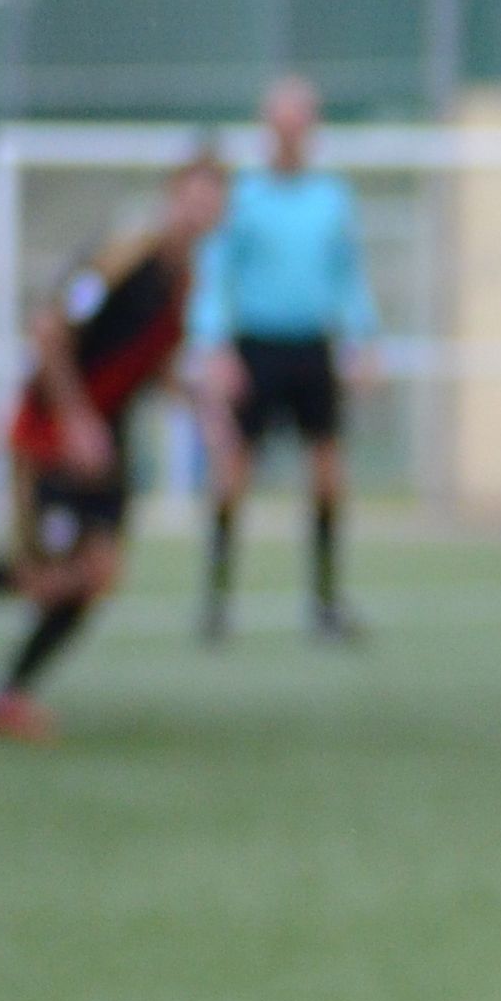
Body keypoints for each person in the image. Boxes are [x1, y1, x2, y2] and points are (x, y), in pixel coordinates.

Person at [0, 142, 231, 739]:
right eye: (191, 194)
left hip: (107, 442)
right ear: (170, 196)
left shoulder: (186, 281)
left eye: (213, 198)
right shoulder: (125, 255)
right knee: (48, 576)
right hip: (53, 432)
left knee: (97, 574)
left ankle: (8, 696)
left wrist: (203, 397)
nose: (199, 209)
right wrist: (75, 419)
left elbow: (148, 365)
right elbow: (50, 329)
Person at [192, 74, 376, 646]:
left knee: (326, 474)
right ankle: (216, 602)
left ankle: (324, 604)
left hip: (311, 348)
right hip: (256, 347)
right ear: (268, 127)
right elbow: (216, 274)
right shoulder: (242, 198)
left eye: (302, 121)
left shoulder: (332, 198)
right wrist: (215, 344)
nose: (292, 132)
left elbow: (347, 276)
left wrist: (363, 337)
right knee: (232, 474)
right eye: (283, 122)